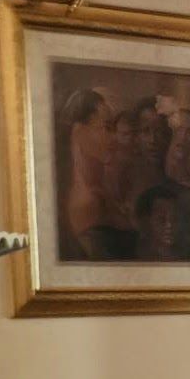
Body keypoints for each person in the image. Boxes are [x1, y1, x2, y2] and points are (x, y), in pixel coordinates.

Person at [58, 86, 135, 261]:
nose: (114, 138)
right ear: (79, 132)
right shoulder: (88, 201)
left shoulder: (101, 191)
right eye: (106, 128)